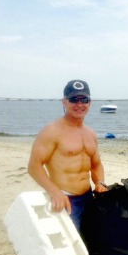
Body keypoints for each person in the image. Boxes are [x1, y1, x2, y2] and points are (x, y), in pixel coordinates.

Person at [28, 79, 107, 231]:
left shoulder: (91, 134)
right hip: (66, 199)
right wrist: (54, 192)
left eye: (84, 99)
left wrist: (100, 182)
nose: (79, 104)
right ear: (64, 102)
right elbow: (34, 166)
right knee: (70, 249)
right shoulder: (52, 131)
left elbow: (96, 165)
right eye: (74, 99)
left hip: (89, 197)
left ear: (89, 102)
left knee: (90, 243)